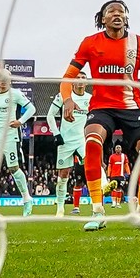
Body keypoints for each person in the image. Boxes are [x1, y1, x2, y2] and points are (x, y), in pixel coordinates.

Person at [60, 0, 140, 232]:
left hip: (132, 107)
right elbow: (68, 76)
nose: (117, 14)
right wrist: (67, 99)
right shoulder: (90, 43)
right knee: (92, 142)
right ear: (103, 18)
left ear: (126, 17)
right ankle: (98, 211)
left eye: (121, 11)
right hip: (102, 107)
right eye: (111, 11)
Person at [0, 70, 36, 218]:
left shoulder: (16, 93)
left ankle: (27, 200)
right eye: (1, 78)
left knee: (14, 168)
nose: (4, 81)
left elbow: (32, 109)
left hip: (11, 136)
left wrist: (20, 121)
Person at [46, 80, 92, 217]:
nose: (80, 82)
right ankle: (60, 208)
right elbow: (50, 116)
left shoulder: (90, 99)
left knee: (92, 166)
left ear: (86, 84)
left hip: (82, 140)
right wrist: (56, 133)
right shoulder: (63, 96)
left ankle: (99, 204)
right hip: (65, 141)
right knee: (63, 174)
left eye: (83, 79)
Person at [108, 143, 130, 209]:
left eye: (119, 147)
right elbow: (109, 166)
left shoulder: (124, 156)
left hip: (121, 175)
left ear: (121, 149)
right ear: (115, 149)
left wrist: (128, 173)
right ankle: (113, 202)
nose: (118, 148)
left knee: (119, 189)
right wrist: (108, 176)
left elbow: (126, 165)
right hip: (113, 175)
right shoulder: (111, 157)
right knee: (113, 189)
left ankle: (118, 203)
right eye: (117, 147)